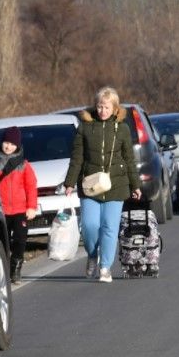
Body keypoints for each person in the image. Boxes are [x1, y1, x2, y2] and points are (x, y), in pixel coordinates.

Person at [63, 87, 142, 283]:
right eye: (99, 106)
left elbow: (129, 159)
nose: (102, 111)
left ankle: (105, 267)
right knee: (90, 225)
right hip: (90, 185)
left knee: (109, 227)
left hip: (116, 185)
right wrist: (70, 182)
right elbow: (77, 157)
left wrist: (135, 185)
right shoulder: (85, 127)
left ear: (114, 108)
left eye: (106, 107)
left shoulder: (122, 129)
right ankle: (91, 255)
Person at [0, 126, 38, 283]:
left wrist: (31, 206)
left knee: (20, 240)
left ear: (17, 145)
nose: (8, 146)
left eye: (12, 143)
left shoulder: (23, 164)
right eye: (6, 142)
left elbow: (31, 186)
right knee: (2, 242)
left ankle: (16, 267)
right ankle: (3, 266)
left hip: (19, 210)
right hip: (1, 210)